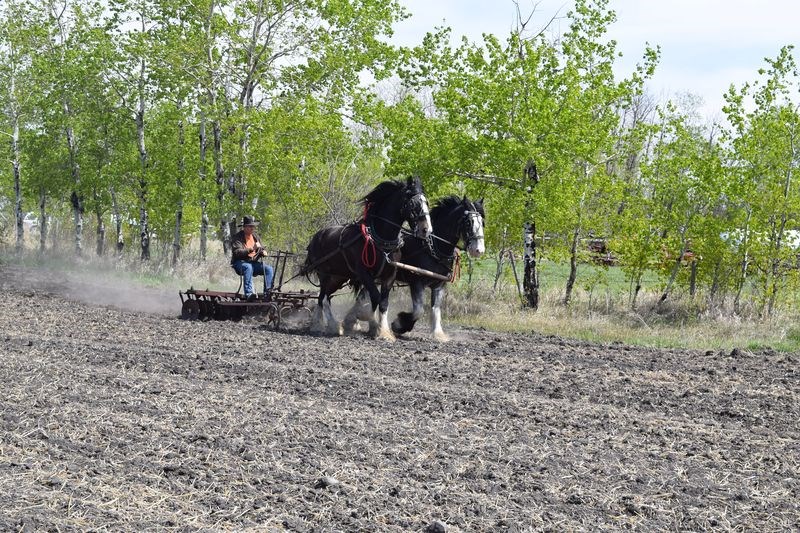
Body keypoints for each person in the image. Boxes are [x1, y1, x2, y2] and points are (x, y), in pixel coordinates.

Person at [230, 215, 274, 301]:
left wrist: (262, 252)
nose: (252, 228)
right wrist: (251, 249)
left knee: (269, 269)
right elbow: (237, 253)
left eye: (253, 226)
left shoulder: (255, 237)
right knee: (248, 267)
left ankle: (268, 293)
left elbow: (260, 248)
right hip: (240, 263)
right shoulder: (237, 238)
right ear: (245, 227)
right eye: (250, 226)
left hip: (253, 263)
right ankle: (249, 294)